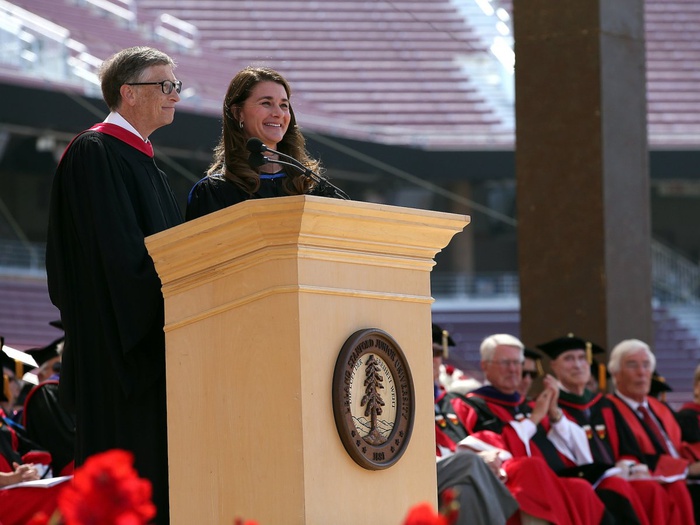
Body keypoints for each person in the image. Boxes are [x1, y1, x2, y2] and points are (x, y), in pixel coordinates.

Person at [46, 46, 184, 524]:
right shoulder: (95, 152)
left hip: (151, 350)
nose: (174, 95)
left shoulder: (144, 163)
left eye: (175, 85)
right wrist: (178, 302)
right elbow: (120, 264)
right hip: (122, 355)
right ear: (128, 93)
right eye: (164, 85)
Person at [447, 333, 613, 525]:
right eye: (505, 363)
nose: (513, 370)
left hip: (550, 481)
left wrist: (554, 414)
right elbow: (479, 448)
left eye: (517, 363)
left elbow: (577, 452)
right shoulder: (470, 405)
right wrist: (533, 420)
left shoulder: (532, 405)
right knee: (532, 468)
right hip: (509, 483)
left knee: (580, 488)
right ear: (485, 366)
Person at [538, 334, 674, 525]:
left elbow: (629, 450)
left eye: (582, 358)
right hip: (581, 483)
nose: (577, 365)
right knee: (616, 486)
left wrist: (629, 466)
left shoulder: (603, 404)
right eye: (569, 359)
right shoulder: (548, 406)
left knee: (651, 488)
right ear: (553, 366)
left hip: (618, 477)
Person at [186, 66, 343, 221]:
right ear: (237, 112)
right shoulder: (215, 192)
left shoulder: (311, 186)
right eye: (266, 103)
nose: (278, 113)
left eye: (284, 105)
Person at [607, 338, 697, 524]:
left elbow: (681, 445)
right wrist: (686, 469)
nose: (642, 372)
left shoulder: (660, 408)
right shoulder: (609, 409)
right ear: (616, 374)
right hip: (649, 480)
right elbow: (628, 455)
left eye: (646, 365)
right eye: (632, 365)